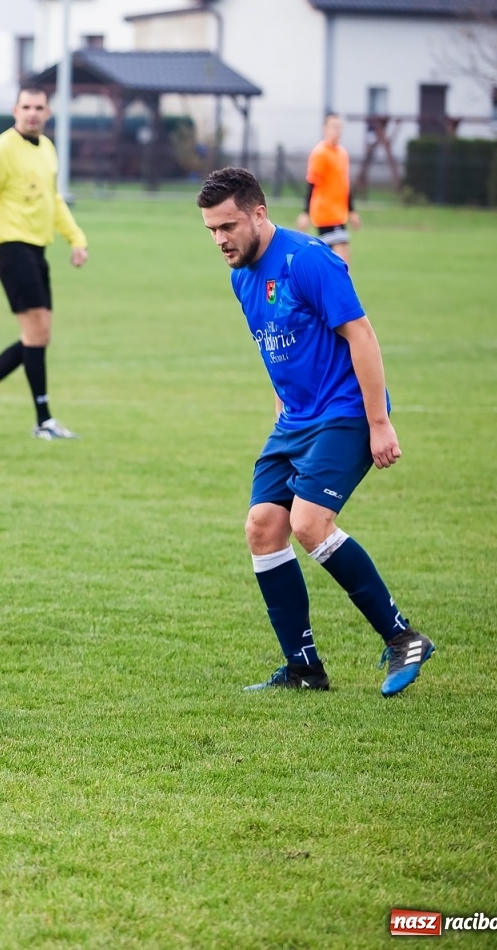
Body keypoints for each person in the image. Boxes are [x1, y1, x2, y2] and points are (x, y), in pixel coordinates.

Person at [197, 167, 432, 696]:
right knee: (262, 526)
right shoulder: (240, 276)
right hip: (295, 420)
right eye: (211, 230)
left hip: (345, 413)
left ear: (259, 213)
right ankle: (304, 668)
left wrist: (379, 423)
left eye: (228, 226)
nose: (220, 240)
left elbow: (362, 337)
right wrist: (283, 402)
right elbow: (274, 343)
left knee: (308, 522)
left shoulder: (310, 261)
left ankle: (403, 639)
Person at [0, 87, 88, 440]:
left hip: (37, 250)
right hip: (10, 247)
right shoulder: (1, 149)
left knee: (38, 336)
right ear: (15, 110)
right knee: (36, 334)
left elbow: (53, 200)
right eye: (26, 107)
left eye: (39, 107)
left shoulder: (47, 149)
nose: (33, 113)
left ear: (48, 112)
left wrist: (76, 237)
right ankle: (43, 421)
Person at [296, 112, 360, 264]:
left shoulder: (342, 153)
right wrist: (306, 212)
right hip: (326, 214)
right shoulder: (320, 153)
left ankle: (328, 286)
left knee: (336, 263)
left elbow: (344, 185)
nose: (337, 131)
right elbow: (312, 183)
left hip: (339, 214)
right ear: (324, 129)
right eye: (333, 127)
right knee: (342, 261)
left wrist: (351, 211)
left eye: (339, 127)